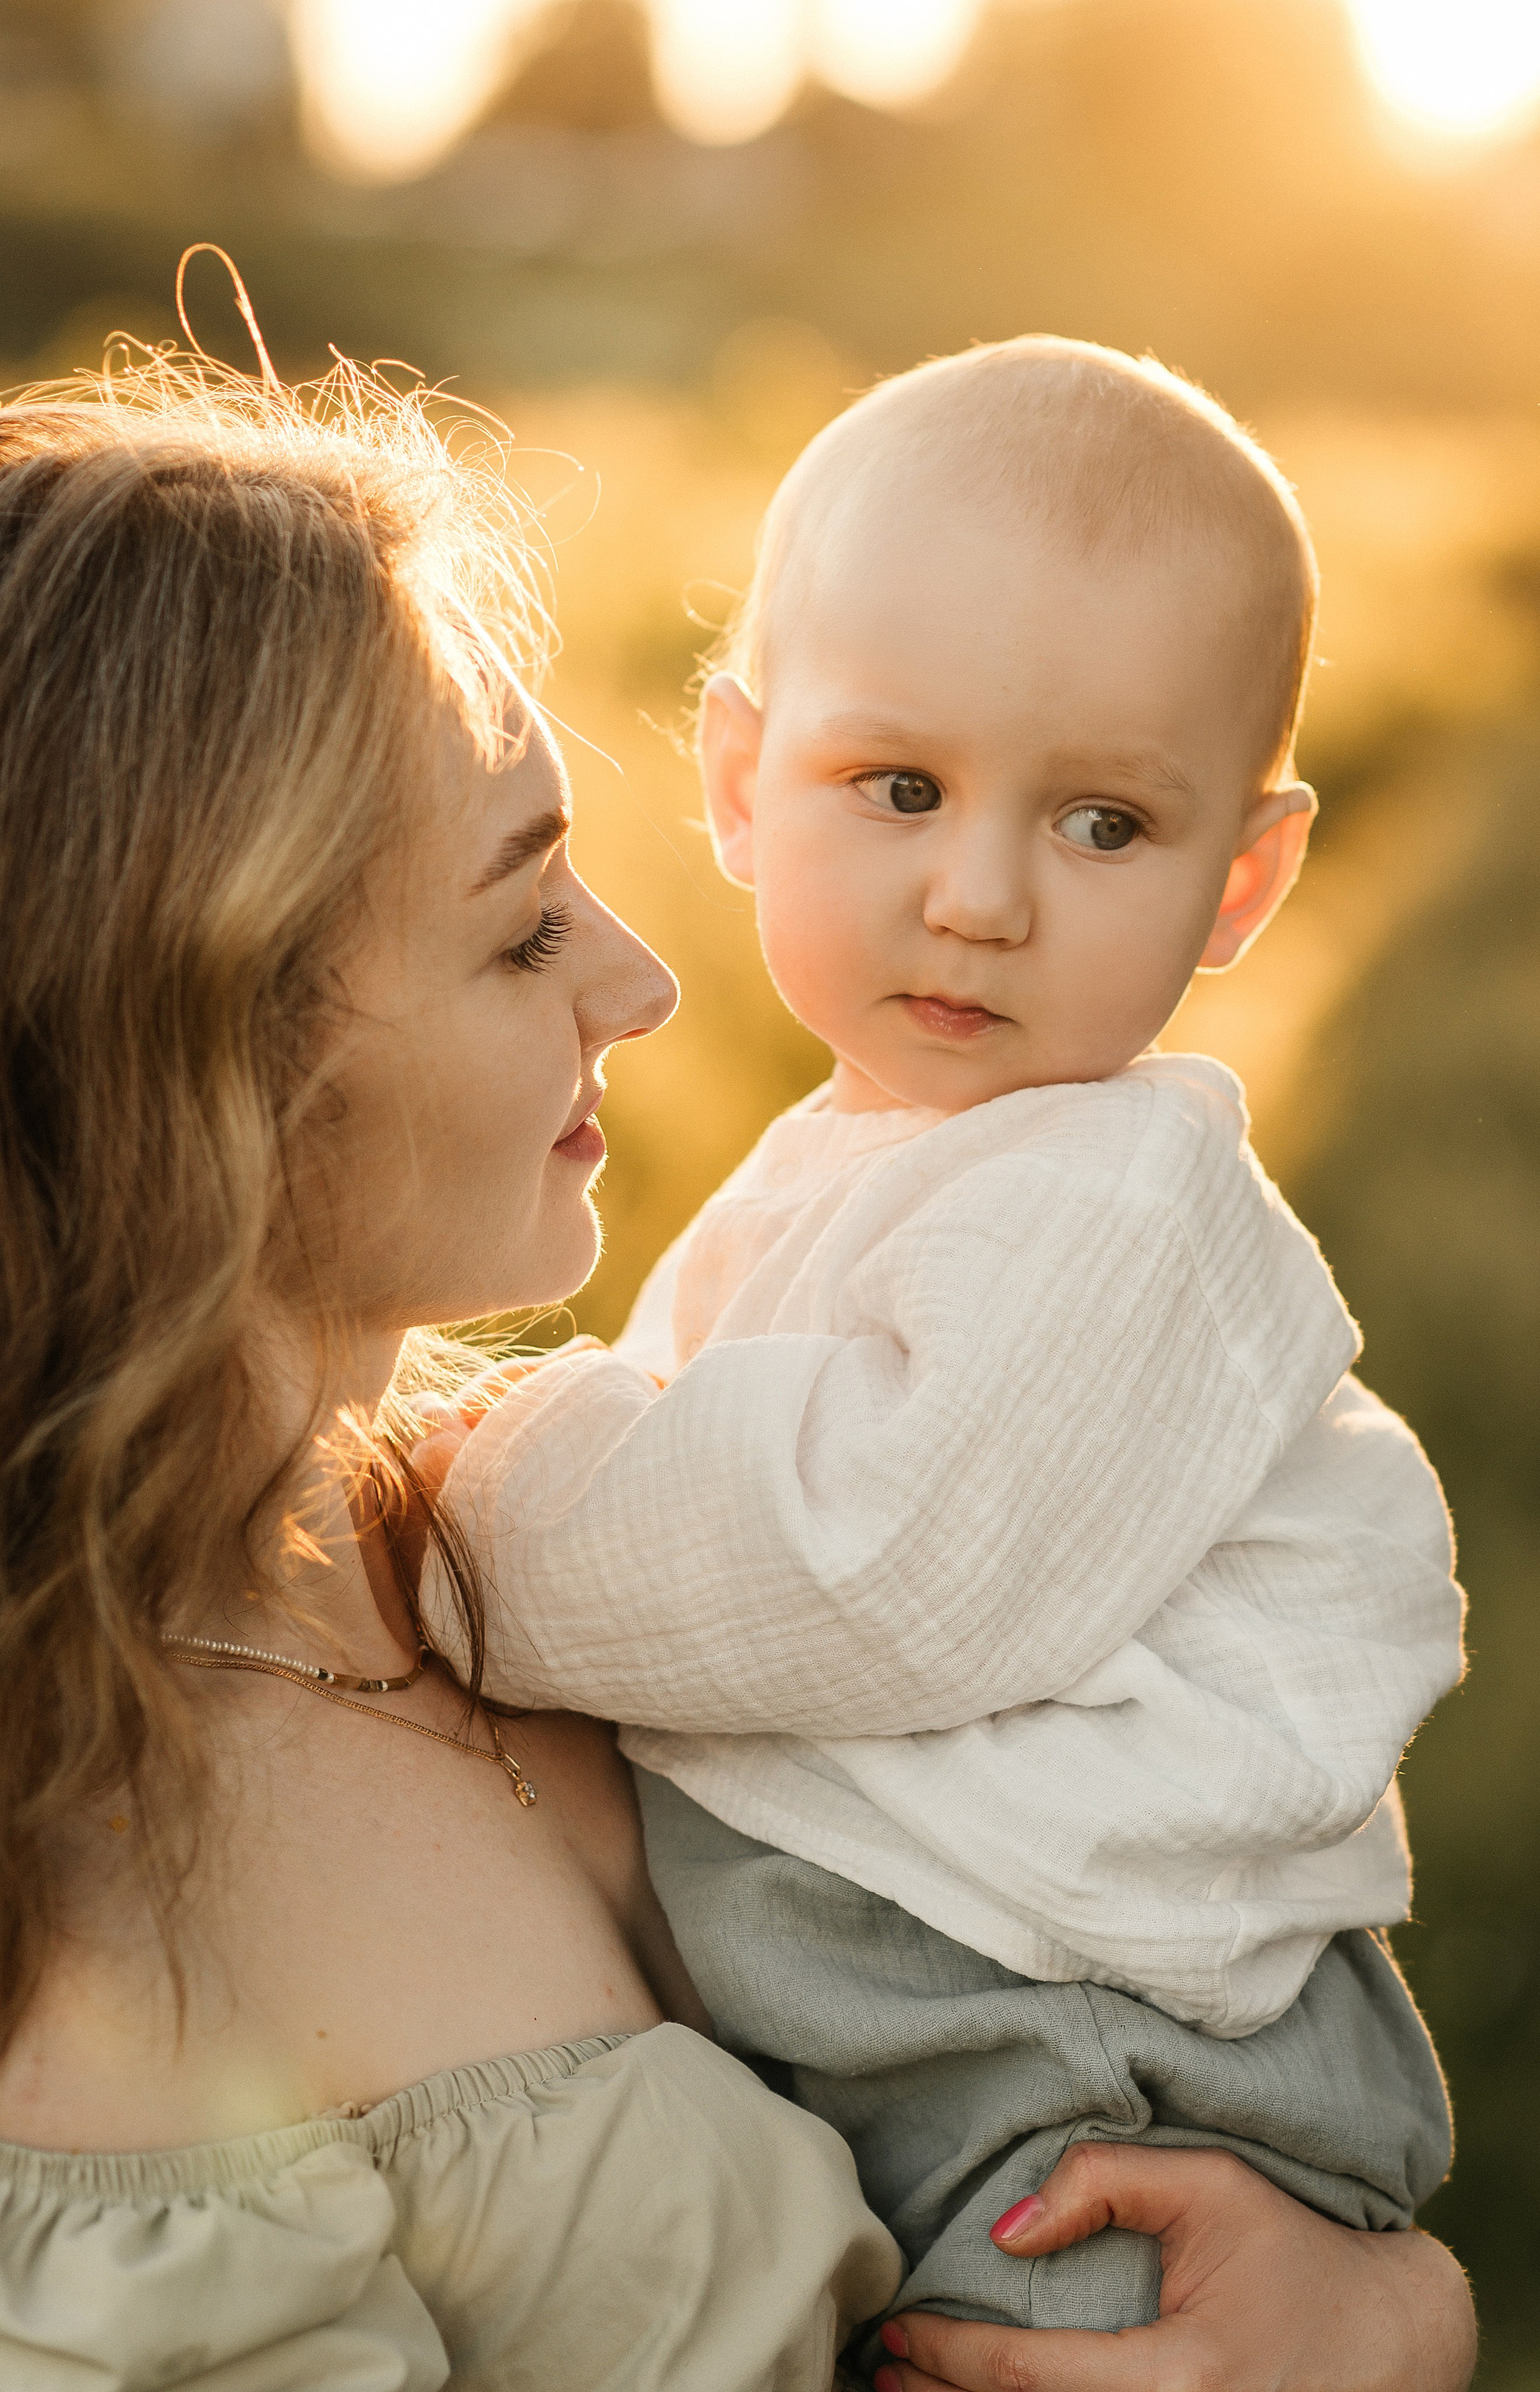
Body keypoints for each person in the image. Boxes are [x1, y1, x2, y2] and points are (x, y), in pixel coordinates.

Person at [415, 338, 1467, 2371]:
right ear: (738, 782)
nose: (977, 898)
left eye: (1100, 824)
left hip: (1081, 2067)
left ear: (1243, 882)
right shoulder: (886, 1160)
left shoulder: (1120, 1199)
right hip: (954, 1980)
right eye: (900, 790)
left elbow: (865, 1561)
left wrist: (470, 1498)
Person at [0, 318, 902, 2387]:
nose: (649, 984)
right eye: (521, 929)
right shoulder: (72, 1883)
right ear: (202, 1067)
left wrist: (1369, 2295)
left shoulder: (558, 1518)